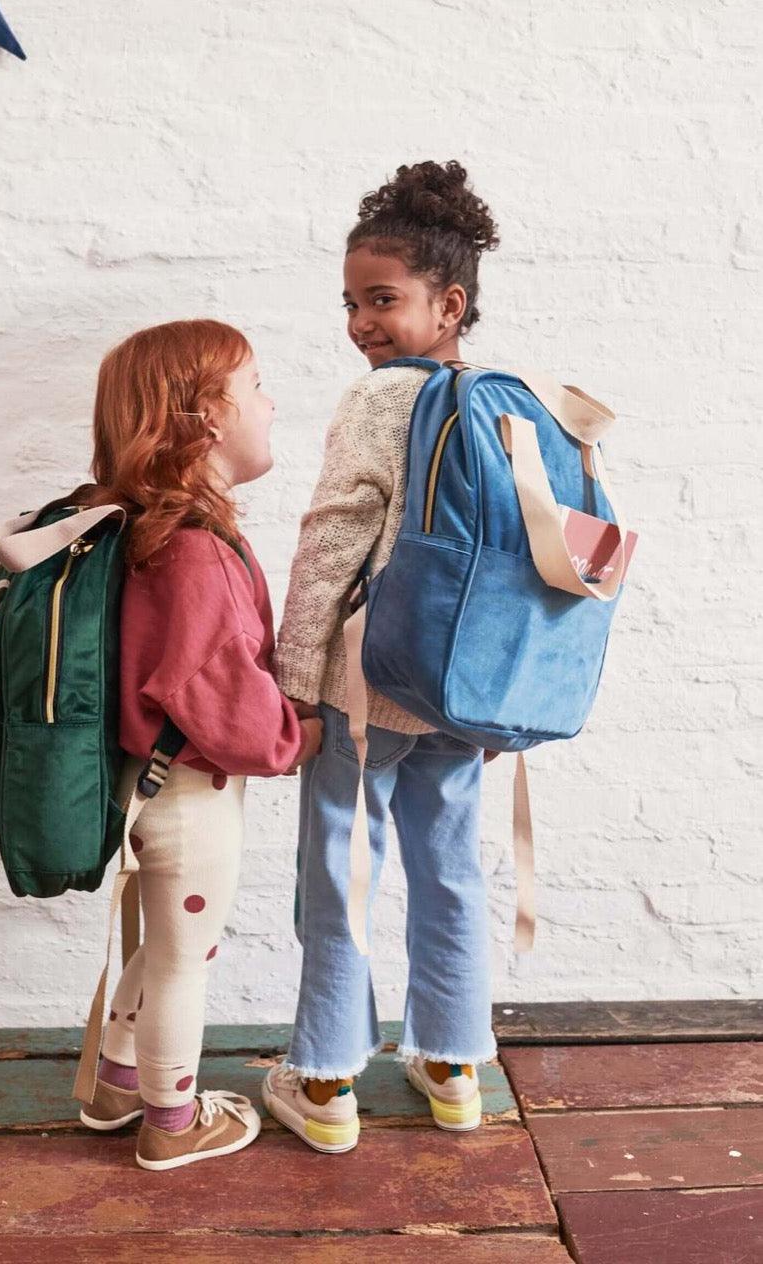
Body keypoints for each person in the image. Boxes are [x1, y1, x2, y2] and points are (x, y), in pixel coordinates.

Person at [263, 161, 501, 1153]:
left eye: (383, 299)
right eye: (353, 302)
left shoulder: (377, 399)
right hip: (462, 684)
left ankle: (322, 1082)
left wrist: (291, 676)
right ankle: (451, 1064)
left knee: (339, 865)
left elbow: (331, 535)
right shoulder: (495, 400)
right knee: (449, 868)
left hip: (366, 685)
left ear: (450, 302)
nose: (362, 321)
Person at [75, 320, 322, 1171]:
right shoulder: (193, 553)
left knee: (163, 946)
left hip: (146, 786)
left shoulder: (145, 529)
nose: (271, 402)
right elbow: (220, 701)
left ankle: (114, 1085)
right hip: (188, 794)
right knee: (188, 959)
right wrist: (303, 736)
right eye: (255, 387)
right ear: (208, 416)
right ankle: (172, 1125)